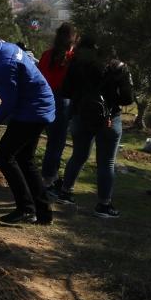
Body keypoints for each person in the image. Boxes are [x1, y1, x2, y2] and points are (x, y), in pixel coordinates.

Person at [0, 27, 56, 224]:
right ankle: (42, 212)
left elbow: (10, 103)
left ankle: (26, 209)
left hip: (32, 110)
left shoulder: (3, 64)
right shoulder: (3, 47)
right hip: (35, 105)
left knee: (4, 156)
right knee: (25, 159)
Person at [55, 39, 133, 218]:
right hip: (109, 118)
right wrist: (111, 98)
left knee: (78, 155)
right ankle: (104, 205)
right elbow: (128, 98)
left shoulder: (76, 65)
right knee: (106, 163)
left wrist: (82, 98)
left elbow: (65, 91)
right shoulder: (118, 68)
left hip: (80, 115)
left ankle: (65, 192)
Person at [38, 22, 78, 194]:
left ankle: (49, 177)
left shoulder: (47, 55)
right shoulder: (72, 58)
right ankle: (49, 179)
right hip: (63, 100)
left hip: (45, 98)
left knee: (51, 141)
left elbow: (38, 76)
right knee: (57, 143)